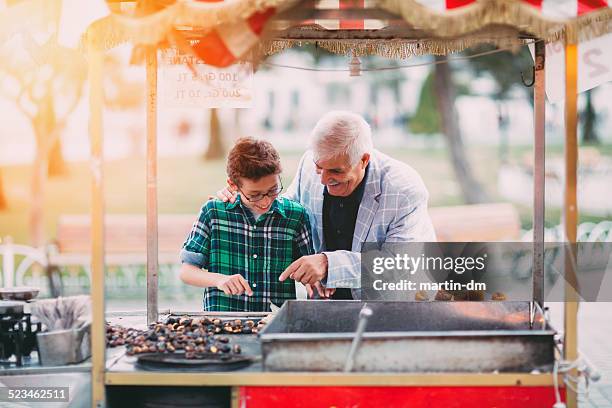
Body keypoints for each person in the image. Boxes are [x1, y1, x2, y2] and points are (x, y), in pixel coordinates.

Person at [218, 111, 436, 299]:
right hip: (328, 303)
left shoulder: (404, 189)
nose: (323, 180)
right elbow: (286, 216)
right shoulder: (309, 165)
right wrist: (243, 200)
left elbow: (398, 265)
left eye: (336, 171)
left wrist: (329, 264)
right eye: (319, 167)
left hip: (396, 305)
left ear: (363, 160)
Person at [180, 137, 315, 311]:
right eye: (255, 194)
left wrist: (313, 282)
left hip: (274, 325)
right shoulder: (213, 212)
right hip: (222, 325)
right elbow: (187, 271)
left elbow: (310, 269)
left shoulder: (295, 216)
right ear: (232, 185)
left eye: (273, 190)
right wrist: (220, 280)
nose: (265, 201)